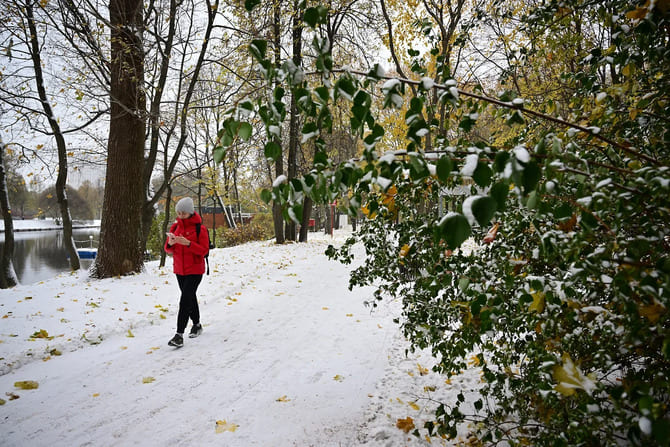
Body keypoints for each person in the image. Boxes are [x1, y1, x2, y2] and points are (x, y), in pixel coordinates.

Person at [164, 197, 210, 348]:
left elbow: (204, 250)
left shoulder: (200, 229)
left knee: (184, 300)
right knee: (190, 298)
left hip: (195, 270)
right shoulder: (175, 228)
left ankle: (179, 335)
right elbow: (167, 249)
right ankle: (197, 325)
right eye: (178, 213)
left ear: (190, 212)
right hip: (179, 269)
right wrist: (170, 243)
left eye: (183, 213)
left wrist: (189, 243)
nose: (181, 215)